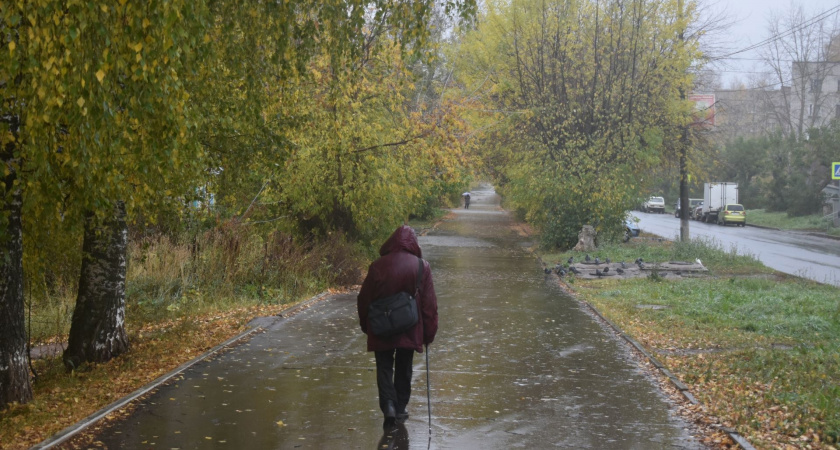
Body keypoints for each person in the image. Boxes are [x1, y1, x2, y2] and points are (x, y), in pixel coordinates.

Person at [357, 225, 438, 428]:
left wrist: (366, 324)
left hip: (381, 325)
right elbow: (429, 304)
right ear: (413, 244)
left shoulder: (377, 266)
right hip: (409, 326)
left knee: (384, 367)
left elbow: (364, 298)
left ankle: (389, 407)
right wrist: (429, 332)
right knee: (404, 366)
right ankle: (400, 407)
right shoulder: (421, 266)